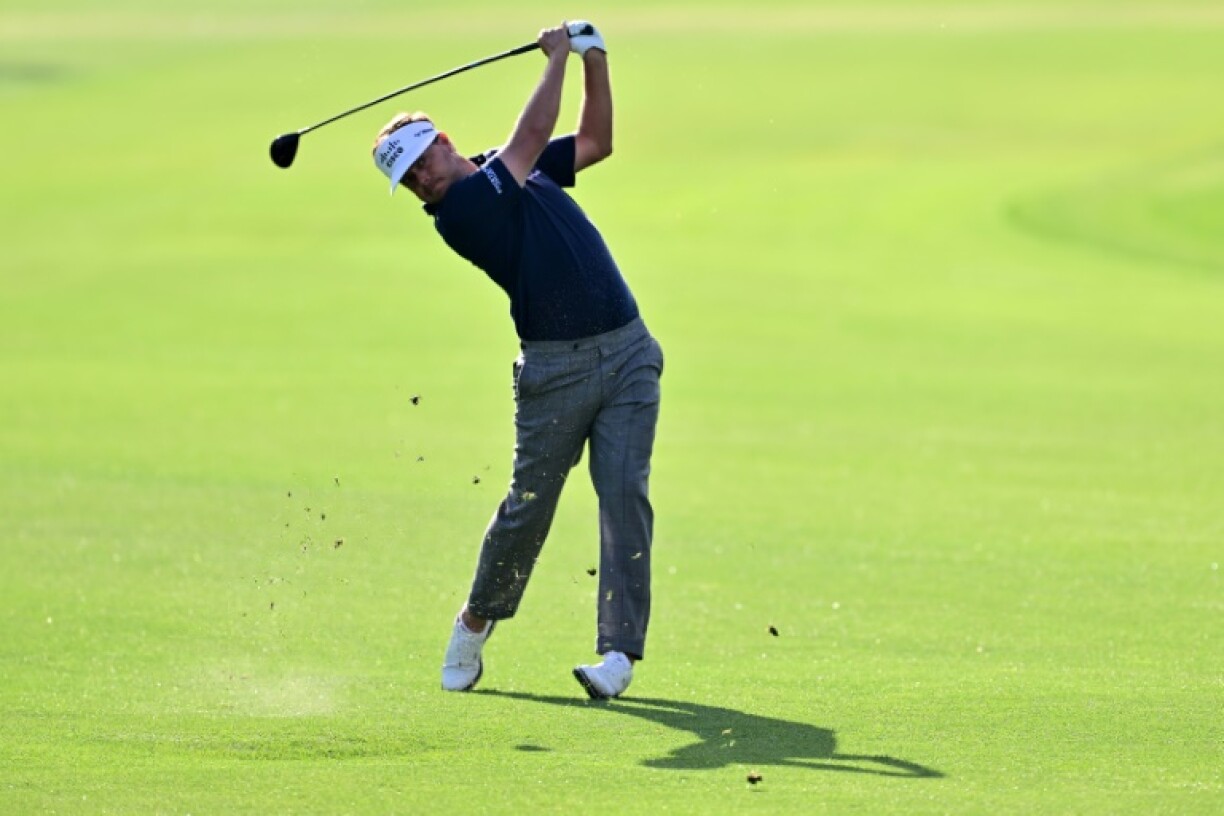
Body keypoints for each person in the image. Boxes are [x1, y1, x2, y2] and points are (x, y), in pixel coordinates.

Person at [371, 22, 663, 699]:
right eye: (408, 181)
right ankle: (475, 620)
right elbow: (529, 139)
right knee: (528, 508)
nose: (420, 182)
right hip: (555, 373)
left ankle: (617, 654)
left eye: (420, 163)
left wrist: (595, 59)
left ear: (442, 141)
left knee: (625, 498)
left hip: (628, 352)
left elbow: (596, 143)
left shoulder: (507, 174)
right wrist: (558, 55)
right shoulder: (464, 211)